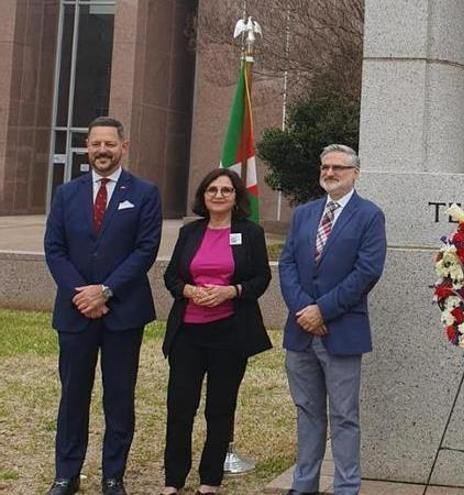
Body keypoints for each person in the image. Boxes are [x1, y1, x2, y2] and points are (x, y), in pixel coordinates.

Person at [44, 116, 162, 495]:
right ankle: (66, 474)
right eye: (95, 144)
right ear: (87, 147)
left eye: (109, 144)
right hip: (75, 311)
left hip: (123, 313)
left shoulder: (144, 193)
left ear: (123, 147)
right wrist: (84, 293)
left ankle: (113, 475)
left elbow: (145, 250)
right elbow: (55, 249)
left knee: (119, 396)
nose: (102, 151)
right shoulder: (66, 194)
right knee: (73, 395)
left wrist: (106, 290)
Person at [279, 144, 387, 495]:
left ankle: (346, 488)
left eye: (338, 168)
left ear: (356, 172)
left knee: (343, 417)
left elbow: (366, 272)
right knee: (307, 412)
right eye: (325, 166)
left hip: (341, 332)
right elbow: (288, 265)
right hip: (300, 332)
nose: (329, 173)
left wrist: (322, 311)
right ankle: (304, 485)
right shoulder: (304, 214)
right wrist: (304, 311)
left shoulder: (370, 216)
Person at [160, 168, 272, 494]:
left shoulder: (250, 234)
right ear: (203, 196)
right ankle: (173, 479)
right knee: (180, 407)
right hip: (188, 335)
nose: (219, 195)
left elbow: (261, 278)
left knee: (219, 408)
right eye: (212, 190)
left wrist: (231, 291)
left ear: (237, 197)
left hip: (230, 334)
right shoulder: (189, 232)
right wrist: (189, 291)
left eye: (226, 190)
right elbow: (170, 277)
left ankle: (210, 479)